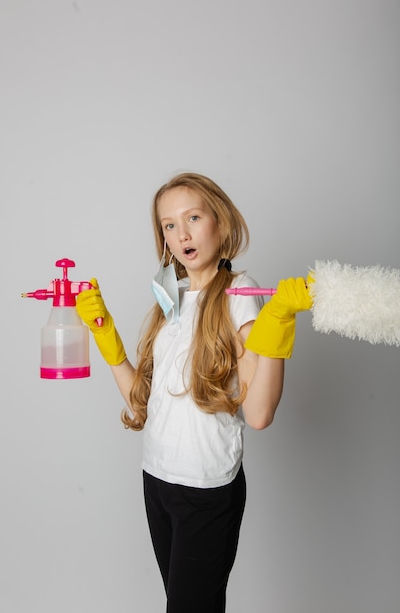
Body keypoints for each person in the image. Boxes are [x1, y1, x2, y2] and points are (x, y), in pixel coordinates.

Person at [76, 172, 312, 613]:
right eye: (168, 224)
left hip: (205, 488)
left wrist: (277, 326)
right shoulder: (173, 297)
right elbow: (142, 406)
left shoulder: (239, 292)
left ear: (220, 224)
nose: (181, 233)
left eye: (193, 217)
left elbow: (259, 413)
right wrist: (105, 334)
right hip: (157, 480)